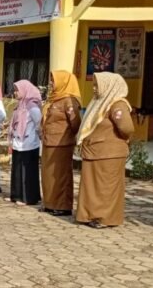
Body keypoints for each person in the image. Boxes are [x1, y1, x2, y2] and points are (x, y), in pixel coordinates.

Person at [76, 72, 134, 229]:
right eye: (94, 85)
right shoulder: (100, 102)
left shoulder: (117, 104)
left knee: (106, 187)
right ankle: (90, 214)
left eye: (97, 85)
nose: (94, 88)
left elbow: (126, 128)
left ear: (109, 86)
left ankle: (105, 218)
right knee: (93, 186)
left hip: (109, 153)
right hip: (95, 151)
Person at [41, 71, 81, 216]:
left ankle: (63, 206)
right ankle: (50, 203)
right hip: (49, 142)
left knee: (61, 175)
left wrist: (68, 136)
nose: (51, 83)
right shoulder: (54, 99)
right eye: (51, 80)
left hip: (62, 144)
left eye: (54, 81)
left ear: (63, 82)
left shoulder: (69, 101)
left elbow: (75, 123)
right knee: (49, 175)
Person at [8, 80, 42, 205]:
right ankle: (16, 195)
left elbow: (39, 122)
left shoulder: (32, 105)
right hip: (19, 142)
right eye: (15, 90)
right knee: (17, 169)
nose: (15, 93)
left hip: (29, 142)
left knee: (27, 171)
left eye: (17, 90)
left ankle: (28, 197)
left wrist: (36, 135)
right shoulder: (20, 105)